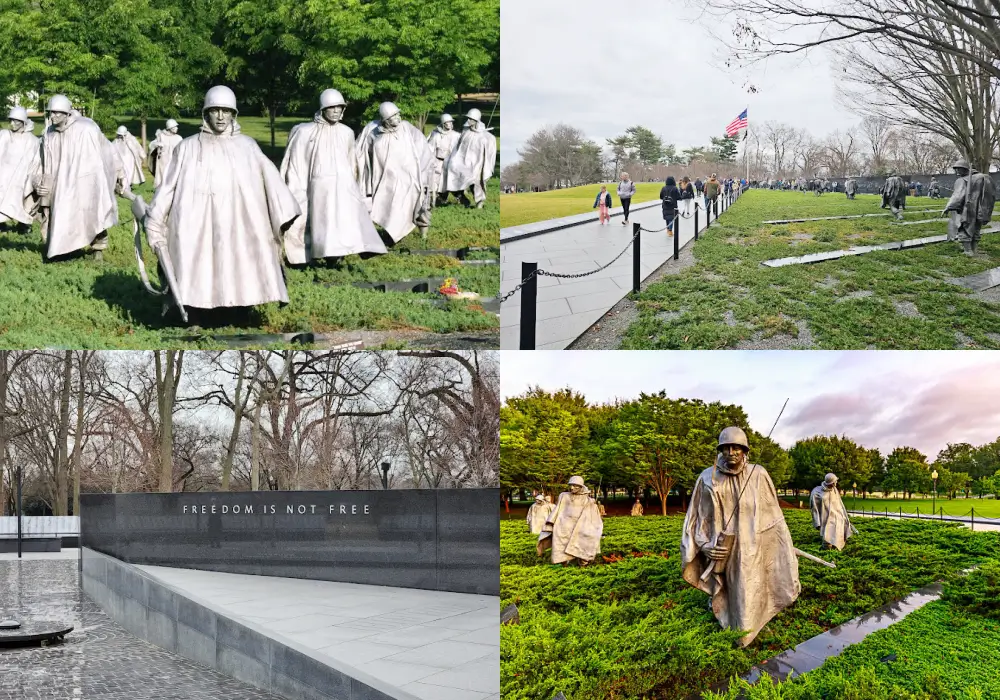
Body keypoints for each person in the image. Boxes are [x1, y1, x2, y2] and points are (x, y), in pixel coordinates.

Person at [143, 86, 301, 315]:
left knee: (239, 262)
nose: (220, 116)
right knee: (197, 263)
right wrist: (154, 218)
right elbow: (168, 187)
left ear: (233, 114)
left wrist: (283, 216)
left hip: (238, 221)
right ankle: (196, 310)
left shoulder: (247, 147)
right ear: (206, 113)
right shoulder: (187, 147)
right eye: (215, 110)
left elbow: (272, 183)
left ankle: (241, 308)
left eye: (226, 111)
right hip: (196, 221)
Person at [680, 427, 801, 647]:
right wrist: (705, 546)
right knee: (732, 590)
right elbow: (697, 518)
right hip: (723, 549)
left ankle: (749, 630)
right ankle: (734, 629)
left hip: (753, 547)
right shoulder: (707, 477)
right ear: (720, 449)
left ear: (745, 450)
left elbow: (774, 517)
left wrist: (782, 546)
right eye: (726, 447)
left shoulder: (759, 474)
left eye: (737, 447)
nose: (731, 452)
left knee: (752, 587)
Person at [280, 89, 387, 265]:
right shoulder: (305, 132)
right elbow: (297, 162)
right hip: (318, 187)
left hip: (343, 186)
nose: (336, 111)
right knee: (320, 223)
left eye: (340, 107)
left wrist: (354, 186)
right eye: (332, 107)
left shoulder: (346, 132)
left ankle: (338, 257)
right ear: (323, 109)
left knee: (343, 222)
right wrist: (294, 188)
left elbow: (352, 162)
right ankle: (311, 257)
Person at [34, 94, 120, 261]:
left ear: (67, 113)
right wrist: (40, 181)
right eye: (50, 112)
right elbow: (42, 161)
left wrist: (119, 173)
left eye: (57, 113)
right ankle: (65, 249)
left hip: (86, 180)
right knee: (62, 213)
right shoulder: (49, 134)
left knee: (92, 213)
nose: (53, 116)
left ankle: (98, 247)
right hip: (60, 183)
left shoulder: (86, 128)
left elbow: (107, 150)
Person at [356, 102, 435, 241]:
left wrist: (422, 172)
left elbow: (422, 150)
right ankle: (393, 233)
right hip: (386, 179)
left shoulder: (408, 129)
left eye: (398, 114)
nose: (398, 118)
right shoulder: (373, 132)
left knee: (418, 203)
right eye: (393, 116)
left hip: (410, 177)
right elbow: (363, 153)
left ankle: (423, 235)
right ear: (385, 120)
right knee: (391, 206)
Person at [537, 476, 604, 566]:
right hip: (563, 526)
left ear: (581, 486)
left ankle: (583, 564)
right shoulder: (564, 496)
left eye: (575, 486)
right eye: (571, 485)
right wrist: (551, 522)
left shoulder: (588, 500)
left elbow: (592, 516)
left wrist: (592, 506)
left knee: (582, 545)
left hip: (579, 526)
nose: (572, 488)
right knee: (561, 547)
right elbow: (557, 509)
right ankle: (564, 565)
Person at [443, 107, 497, 209]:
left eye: (471, 119)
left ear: (476, 120)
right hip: (463, 163)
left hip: (477, 165)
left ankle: (479, 202)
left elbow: (488, 154)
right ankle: (461, 197)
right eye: (468, 118)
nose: (468, 121)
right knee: (452, 173)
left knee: (476, 182)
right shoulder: (466, 132)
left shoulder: (486, 137)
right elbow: (459, 147)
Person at [944, 158, 996, 256]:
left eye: (959, 169)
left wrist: (948, 207)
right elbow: (991, 194)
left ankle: (968, 251)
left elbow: (957, 196)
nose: (957, 171)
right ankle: (974, 249)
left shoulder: (961, 180)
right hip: (981, 208)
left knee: (965, 227)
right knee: (976, 227)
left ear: (964, 168)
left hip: (967, 209)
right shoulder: (984, 177)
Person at [0, 106, 40, 231]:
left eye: (16, 121)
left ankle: (24, 225)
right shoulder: (4, 135)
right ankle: (1, 224)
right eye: (10, 120)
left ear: (23, 122)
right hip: (4, 174)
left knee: (23, 200)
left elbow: (35, 160)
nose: (12, 124)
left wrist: (31, 177)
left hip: (22, 176)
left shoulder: (32, 140)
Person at [809, 473, 855, 551]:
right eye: (835, 481)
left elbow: (839, 503)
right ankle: (826, 550)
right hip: (825, 517)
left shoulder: (834, 490)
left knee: (838, 533)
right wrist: (817, 522)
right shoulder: (817, 492)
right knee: (827, 536)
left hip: (837, 515)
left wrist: (843, 515)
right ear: (832, 482)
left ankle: (836, 548)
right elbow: (814, 508)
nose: (836, 483)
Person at [426, 113, 461, 206]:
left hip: (452, 162)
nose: (450, 124)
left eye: (451, 122)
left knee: (453, 181)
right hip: (439, 162)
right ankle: (439, 199)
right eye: (447, 122)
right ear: (443, 124)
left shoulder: (456, 135)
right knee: (438, 182)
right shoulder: (436, 135)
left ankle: (461, 198)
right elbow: (430, 149)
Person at [147, 119, 183, 190]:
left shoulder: (178, 138)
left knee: (173, 176)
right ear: (170, 128)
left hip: (174, 161)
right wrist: (157, 144)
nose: (177, 128)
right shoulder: (161, 136)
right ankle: (161, 189)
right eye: (175, 127)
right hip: (163, 161)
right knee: (162, 176)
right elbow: (151, 145)